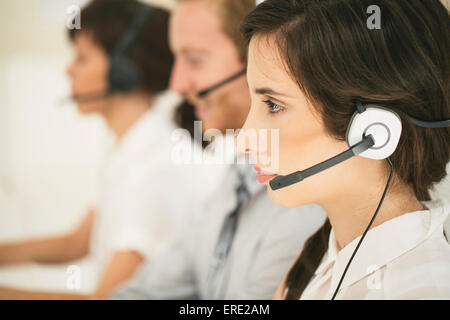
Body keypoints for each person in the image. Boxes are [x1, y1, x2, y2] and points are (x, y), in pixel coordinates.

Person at [110, 0, 326, 300]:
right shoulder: (237, 172)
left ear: (254, 60)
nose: (177, 84)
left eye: (195, 59)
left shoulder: (306, 198)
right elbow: (144, 292)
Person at [0, 0, 216, 299]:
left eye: (82, 58)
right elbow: (77, 242)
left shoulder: (157, 167)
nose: (68, 70)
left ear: (123, 71)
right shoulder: (131, 147)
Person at [239, 0, 450, 299]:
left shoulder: (422, 289)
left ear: (374, 131)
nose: (243, 140)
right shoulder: (319, 262)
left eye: (273, 105)